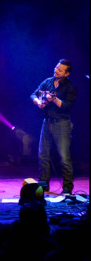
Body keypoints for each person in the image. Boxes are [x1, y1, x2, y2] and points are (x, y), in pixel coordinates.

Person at [30, 59, 76, 195]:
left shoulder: (70, 87)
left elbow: (67, 106)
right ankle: (42, 188)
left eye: (60, 70)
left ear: (66, 74)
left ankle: (67, 190)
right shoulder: (48, 81)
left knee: (64, 158)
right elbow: (33, 94)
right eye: (56, 67)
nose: (56, 71)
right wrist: (39, 102)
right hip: (47, 122)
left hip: (62, 123)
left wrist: (54, 99)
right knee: (43, 156)